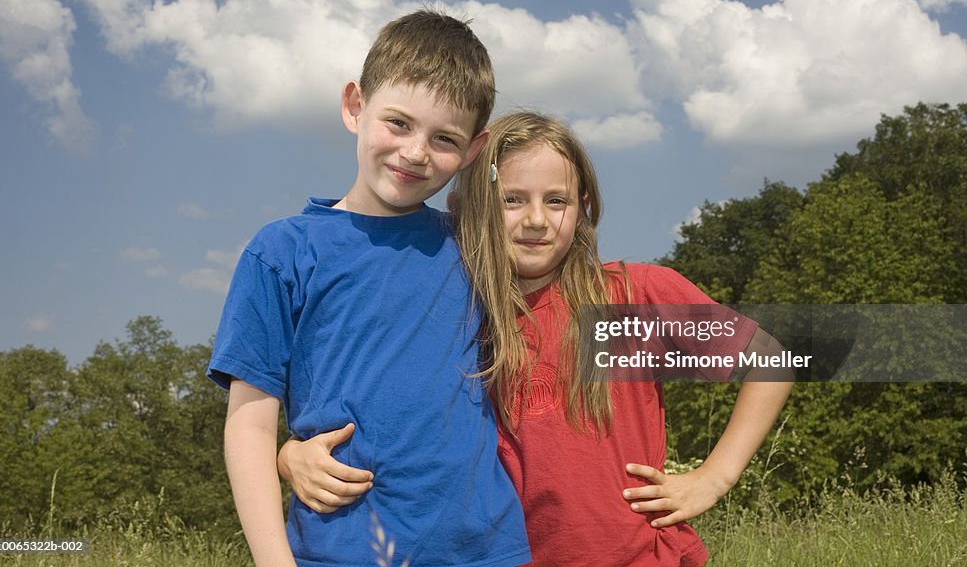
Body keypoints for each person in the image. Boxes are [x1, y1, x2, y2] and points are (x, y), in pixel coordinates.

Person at [279, 111, 793, 566]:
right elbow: (391, 418)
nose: (535, 220)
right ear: (472, 207)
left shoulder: (632, 297)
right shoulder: (456, 311)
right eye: (512, 200)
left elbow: (772, 359)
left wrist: (714, 477)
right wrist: (290, 456)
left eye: (556, 200)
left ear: (584, 206)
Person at [207, 11, 530, 567]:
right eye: (398, 122)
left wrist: (711, 471)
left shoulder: (476, 247)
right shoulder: (282, 252)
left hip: (485, 552)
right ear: (355, 106)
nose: (415, 152)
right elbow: (249, 423)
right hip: (342, 551)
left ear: (473, 152)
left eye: (444, 138)